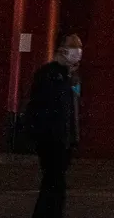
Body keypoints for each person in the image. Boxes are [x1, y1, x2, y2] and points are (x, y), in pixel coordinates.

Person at [22, 33, 83, 218]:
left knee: (55, 184)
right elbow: (39, 107)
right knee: (54, 184)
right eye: (73, 46)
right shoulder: (49, 74)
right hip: (51, 140)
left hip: (64, 141)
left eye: (79, 47)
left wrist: (73, 137)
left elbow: (72, 108)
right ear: (62, 48)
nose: (77, 51)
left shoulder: (70, 77)